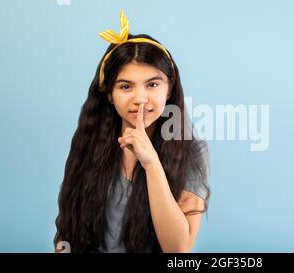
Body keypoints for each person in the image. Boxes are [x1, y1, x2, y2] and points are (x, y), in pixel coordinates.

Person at [54, 11, 210, 253]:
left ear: (169, 89)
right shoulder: (91, 140)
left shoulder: (191, 150)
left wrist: (152, 164)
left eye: (153, 84)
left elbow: (178, 250)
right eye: (125, 86)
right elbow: (67, 231)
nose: (140, 98)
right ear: (109, 94)